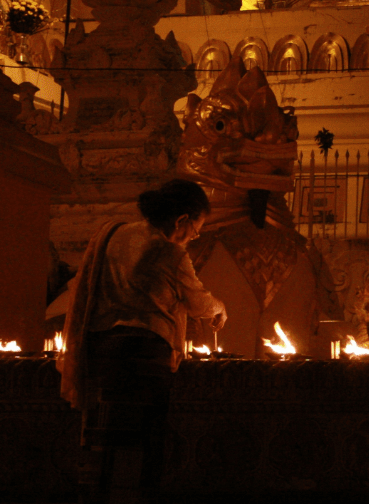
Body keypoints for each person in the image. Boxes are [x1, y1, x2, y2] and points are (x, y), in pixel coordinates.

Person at [59, 179, 226, 503]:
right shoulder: (170, 252)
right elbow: (196, 302)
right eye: (195, 231)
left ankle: (99, 494)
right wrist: (219, 307)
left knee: (102, 435)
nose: (192, 238)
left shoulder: (112, 234)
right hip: (145, 354)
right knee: (141, 440)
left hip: (101, 348)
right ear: (181, 220)